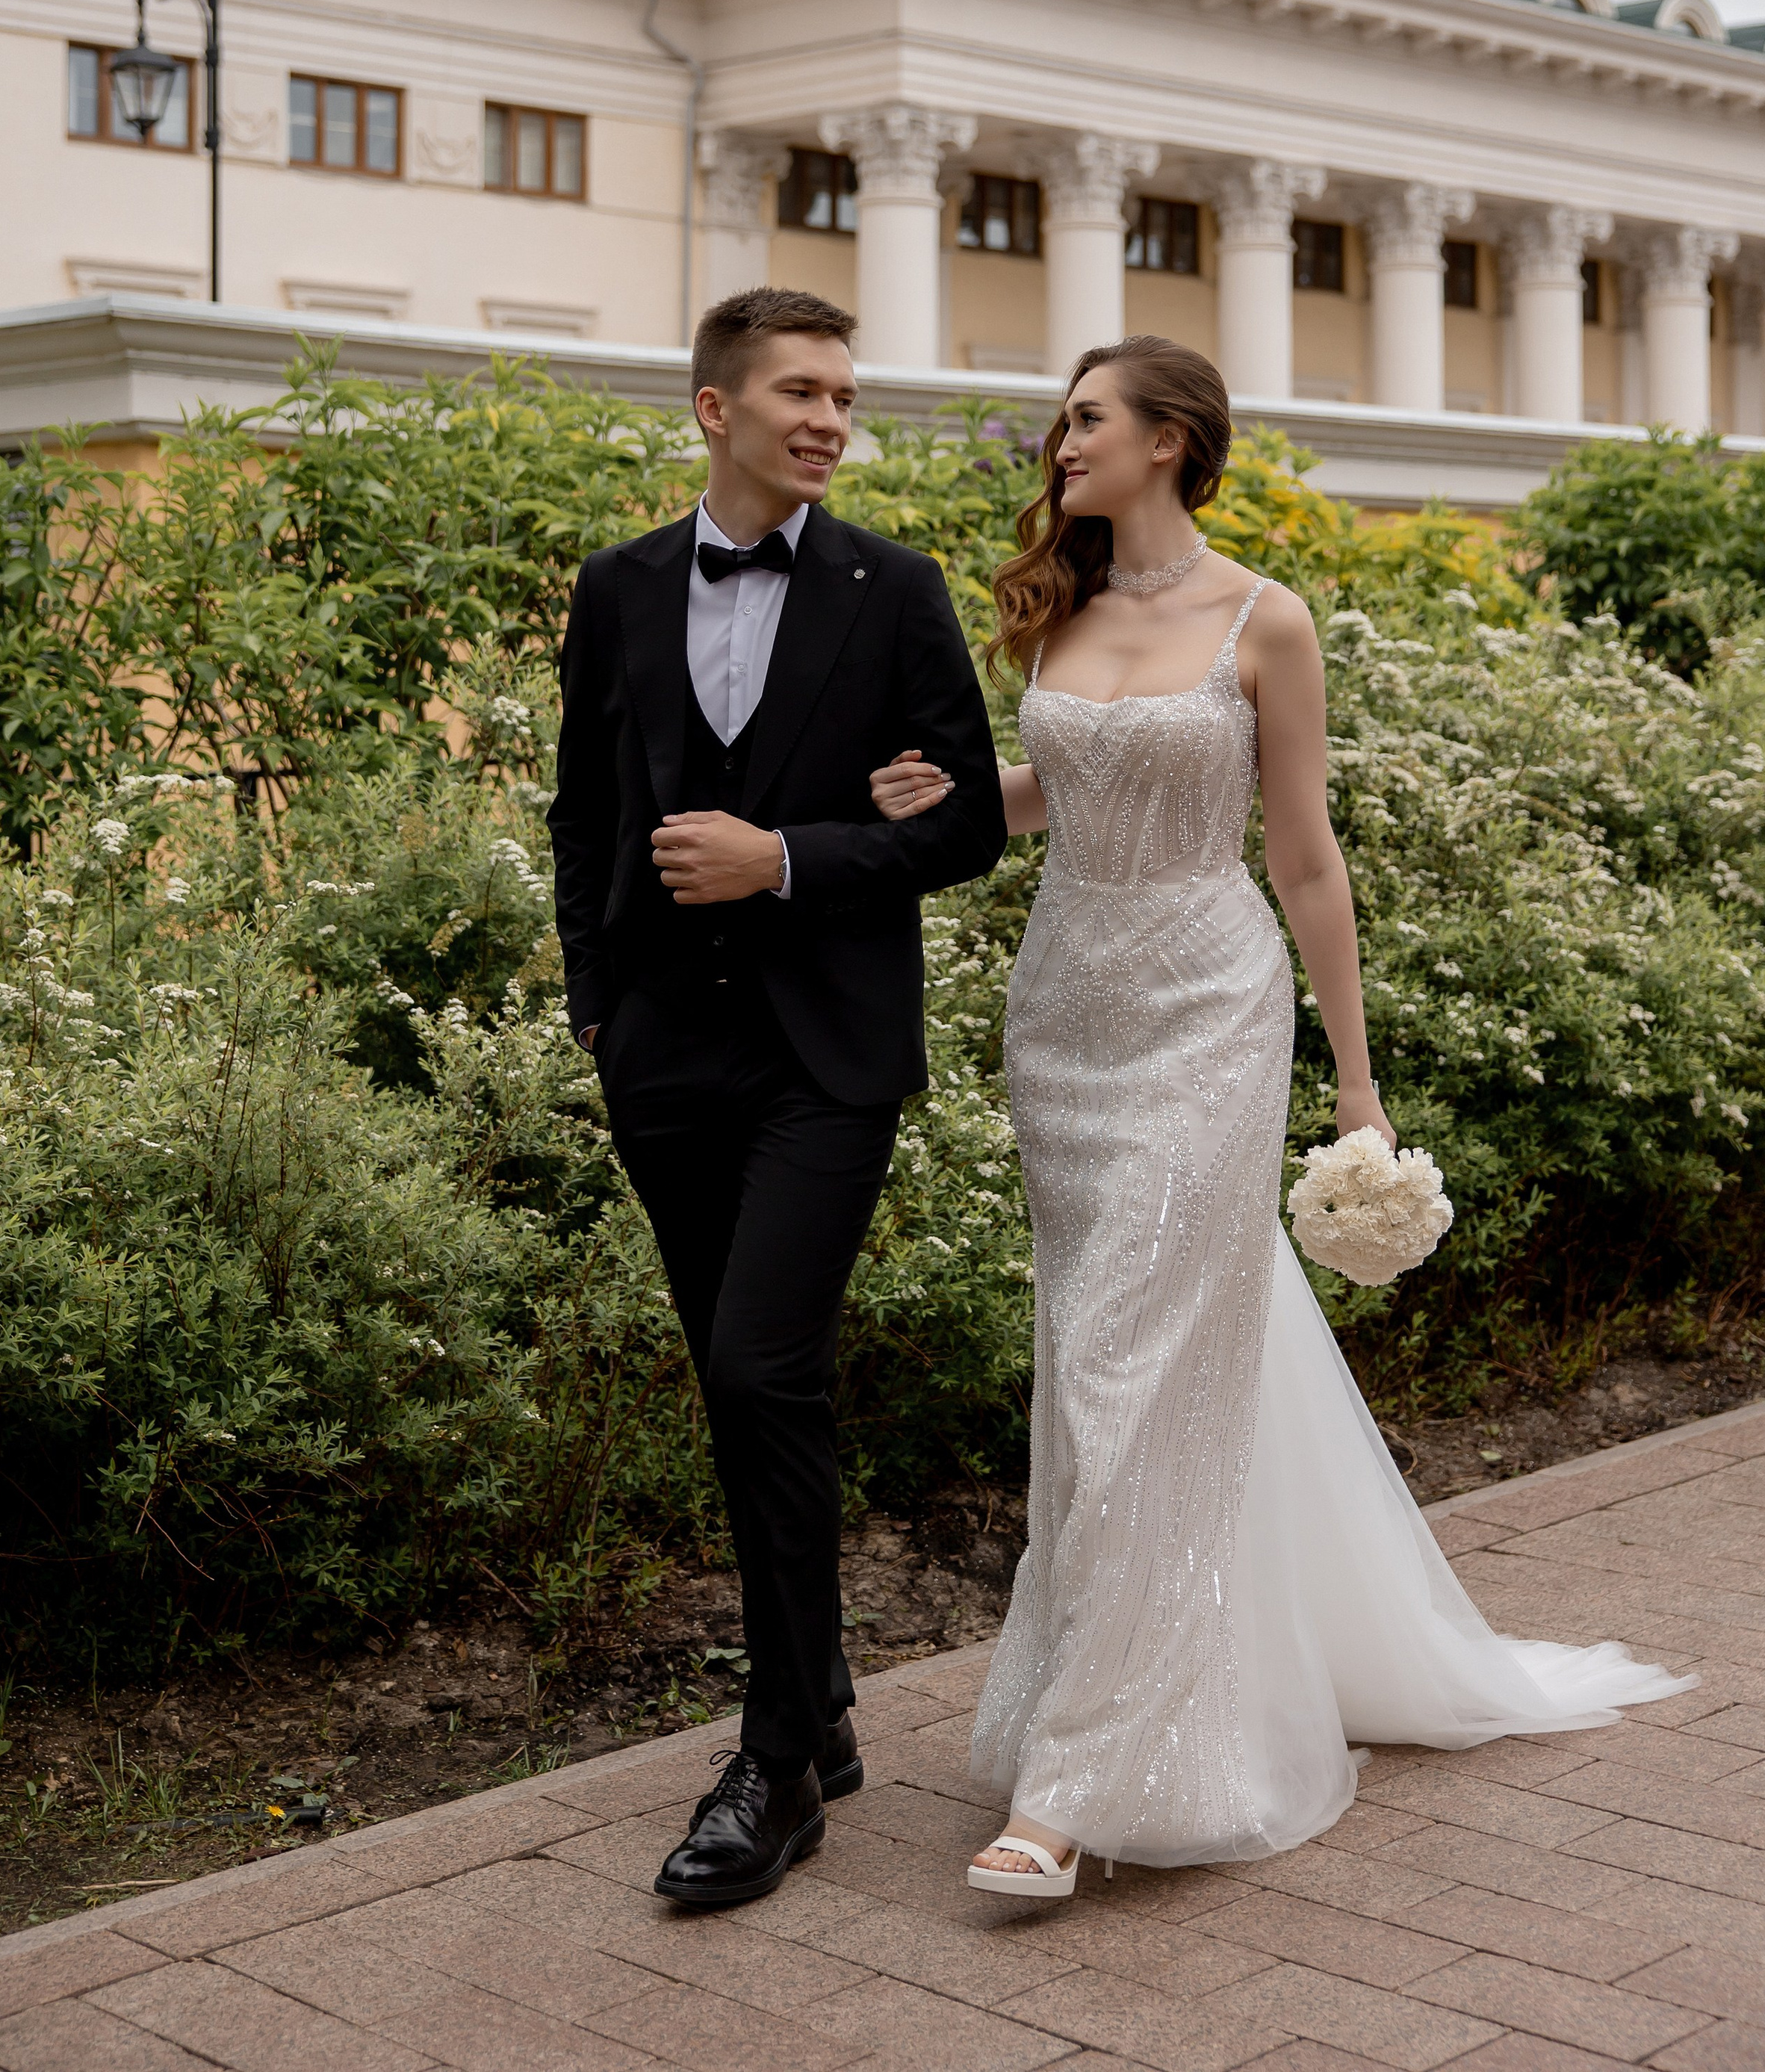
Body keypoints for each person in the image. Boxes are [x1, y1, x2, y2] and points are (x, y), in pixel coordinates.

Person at [869, 335, 1688, 1900]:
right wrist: (961, 790)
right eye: (1062, 419)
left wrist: (1357, 1084)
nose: (1059, 441)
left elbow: (1303, 858)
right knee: (1095, 1360)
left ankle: (1073, 1782)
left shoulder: (1264, 619)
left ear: (1171, 440)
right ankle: (1128, 1687)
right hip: (1062, 1013)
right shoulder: (1062, 607)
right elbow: (1065, 780)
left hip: (1205, 1008)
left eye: (1087, 418)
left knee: (1128, 1362)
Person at [549, 285, 1005, 1910]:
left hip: (827, 1053)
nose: (827, 418)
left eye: (842, 396)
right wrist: (595, 1004)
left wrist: (789, 857)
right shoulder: (614, 590)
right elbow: (580, 811)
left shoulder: (897, 591)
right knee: (752, 1395)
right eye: (799, 391)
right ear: (713, 409)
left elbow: (964, 827)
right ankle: (817, 1707)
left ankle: (775, 1766)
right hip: (665, 1057)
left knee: (760, 1368)